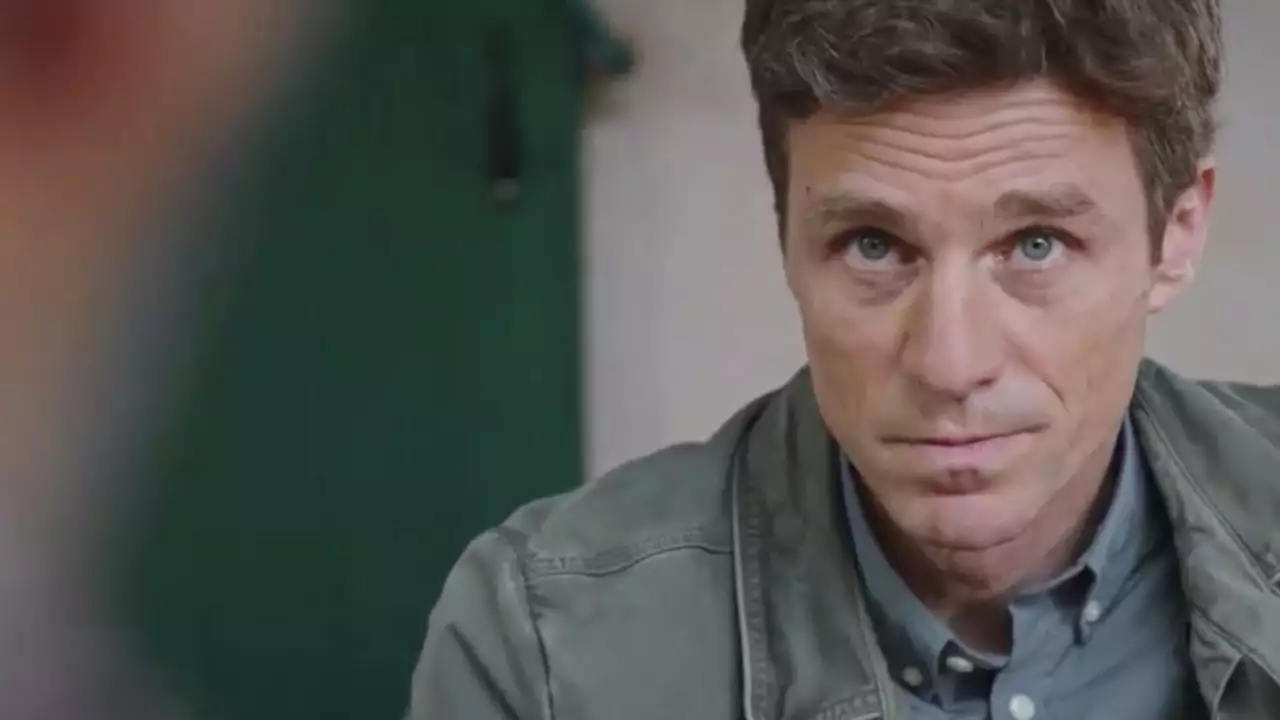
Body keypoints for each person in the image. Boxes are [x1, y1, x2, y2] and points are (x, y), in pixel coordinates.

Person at [409, 1, 1280, 717]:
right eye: (874, 245)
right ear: (785, 237)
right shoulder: (547, 653)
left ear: (1177, 234)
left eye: (1036, 244)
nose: (949, 364)